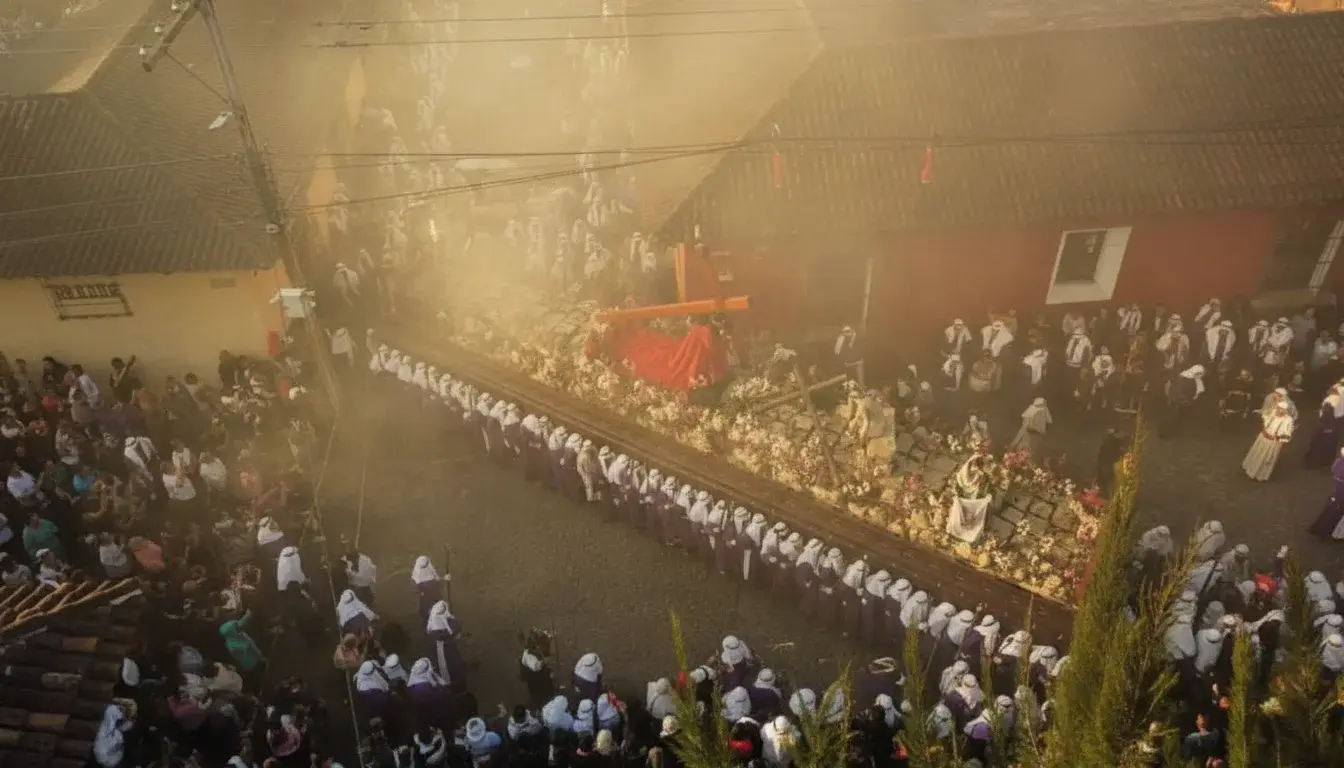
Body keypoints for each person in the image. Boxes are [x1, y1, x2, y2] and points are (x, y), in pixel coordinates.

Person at [1243, 402, 1295, 481]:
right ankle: (1250, 469)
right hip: (1263, 438)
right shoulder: (1273, 412)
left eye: (1280, 409)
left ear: (1285, 410)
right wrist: (1264, 430)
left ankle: (1261, 475)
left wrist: (1275, 437)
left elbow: (1287, 434)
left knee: (1266, 459)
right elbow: (1265, 421)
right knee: (1257, 453)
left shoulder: (1288, 420)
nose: (1278, 410)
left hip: (1273, 443)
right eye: (1278, 408)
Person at [219, 610, 265, 689]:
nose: (239, 627)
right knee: (257, 677)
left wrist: (249, 613)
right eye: (236, 628)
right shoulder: (236, 643)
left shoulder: (231, 639)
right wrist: (262, 659)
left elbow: (241, 623)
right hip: (252, 664)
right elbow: (253, 649)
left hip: (247, 664)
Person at [1309, 448, 1344, 540]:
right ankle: (1322, 531)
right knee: (1334, 510)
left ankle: (1319, 529)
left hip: (1337, 490)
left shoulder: (1339, 462)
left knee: (1331, 509)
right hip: (1340, 491)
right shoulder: (1340, 465)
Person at [1305, 388, 1344, 468]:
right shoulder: (1333, 400)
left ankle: (1316, 460)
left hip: (1328, 425)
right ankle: (1320, 461)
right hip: (1330, 425)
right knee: (1325, 443)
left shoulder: (1332, 400)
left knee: (1321, 443)